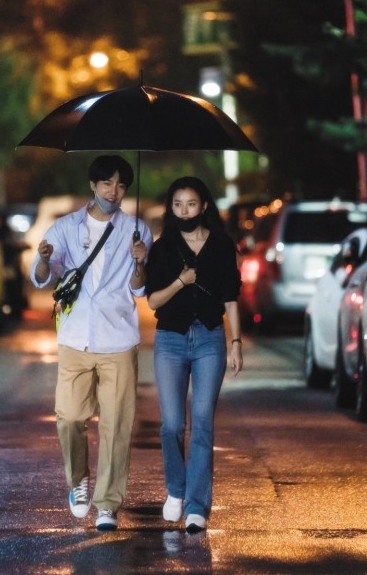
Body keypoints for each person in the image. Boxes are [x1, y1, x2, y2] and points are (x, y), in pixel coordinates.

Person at [30, 155, 152, 531]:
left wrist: (139, 262)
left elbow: (140, 288)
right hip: (74, 335)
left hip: (119, 336)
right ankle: (78, 481)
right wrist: (43, 260)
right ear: (93, 186)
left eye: (120, 186)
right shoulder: (64, 227)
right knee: (68, 417)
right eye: (106, 184)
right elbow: (43, 278)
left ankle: (108, 504)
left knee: (116, 424)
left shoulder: (137, 230)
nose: (113, 192)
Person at [144, 176, 243, 533]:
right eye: (177, 204)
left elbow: (231, 296)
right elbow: (152, 300)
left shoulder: (221, 246)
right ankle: (176, 490)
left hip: (209, 340)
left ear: (204, 206)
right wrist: (180, 282)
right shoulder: (163, 248)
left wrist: (235, 343)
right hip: (170, 339)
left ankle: (198, 505)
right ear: (171, 209)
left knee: (202, 422)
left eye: (191, 203)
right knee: (172, 424)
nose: (184, 210)